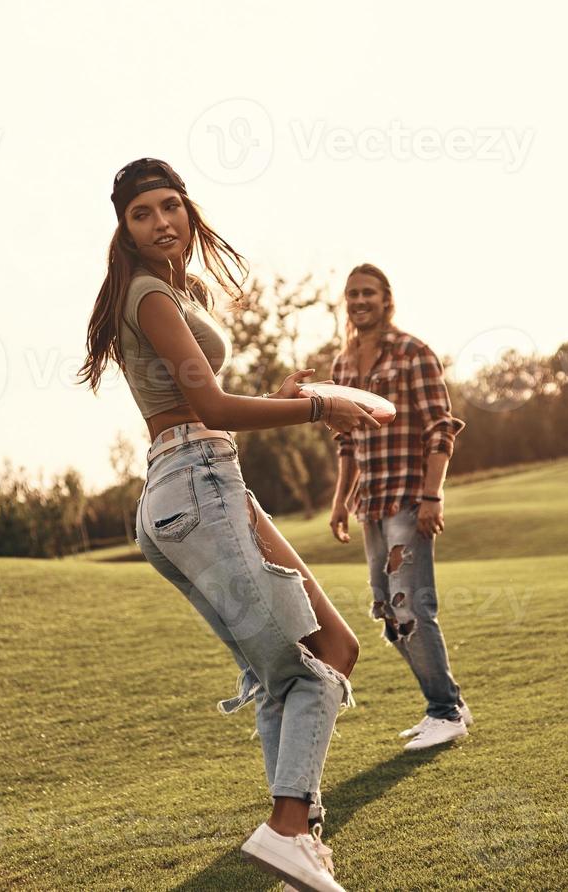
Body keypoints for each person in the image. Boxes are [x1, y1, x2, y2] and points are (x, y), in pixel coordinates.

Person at [78, 158, 378, 892]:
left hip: (197, 483)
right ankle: (288, 831)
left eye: (170, 206)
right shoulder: (148, 295)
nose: (161, 222)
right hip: (197, 481)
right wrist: (315, 409)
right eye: (142, 213)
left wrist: (274, 397)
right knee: (318, 665)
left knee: (310, 662)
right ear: (123, 227)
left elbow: (203, 406)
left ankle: (297, 839)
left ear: (189, 208)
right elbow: (207, 410)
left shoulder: (166, 292)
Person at [328, 264, 473, 751]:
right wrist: (339, 501)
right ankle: (448, 699)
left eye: (368, 293)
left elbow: (440, 428)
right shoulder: (343, 366)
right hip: (370, 504)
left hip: (409, 500)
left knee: (412, 606)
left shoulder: (414, 353)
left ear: (387, 299)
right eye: (352, 294)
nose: (359, 301)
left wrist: (433, 495)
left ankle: (444, 712)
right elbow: (346, 442)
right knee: (389, 616)